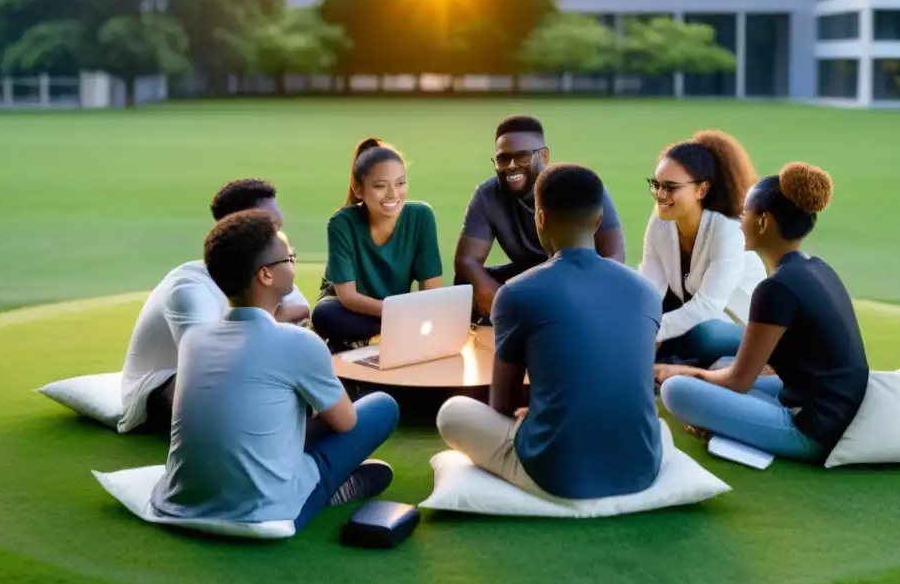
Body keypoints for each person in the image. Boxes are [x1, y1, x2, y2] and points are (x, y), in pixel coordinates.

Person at [150, 209, 400, 531]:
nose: (293, 262)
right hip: (266, 511)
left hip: (181, 502)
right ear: (266, 275)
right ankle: (329, 486)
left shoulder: (194, 339)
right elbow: (345, 422)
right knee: (382, 406)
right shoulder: (299, 342)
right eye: (289, 257)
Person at [437, 164, 664, 500]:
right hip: (643, 466)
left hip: (558, 475)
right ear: (599, 219)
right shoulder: (645, 291)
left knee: (451, 413)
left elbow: (502, 404)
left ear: (540, 219)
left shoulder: (516, 292)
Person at [655, 162, 870, 463]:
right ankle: (721, 409)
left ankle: (723, 419)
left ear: (763, 221)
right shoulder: (816, 267)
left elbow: (737, 382)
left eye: (744, 215)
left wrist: (679, 372)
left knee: (676, 389)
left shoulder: (776, 288)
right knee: (721, 363)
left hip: (809, 429)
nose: (739, 222)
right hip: (824, 402)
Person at [117, 178, 310, 434]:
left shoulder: (268, 269)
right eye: (269, 228)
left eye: (278, 227)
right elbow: (209, 360)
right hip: (166, 386)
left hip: (226, 375)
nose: (279, 238)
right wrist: (271, 320)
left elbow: (301, 310)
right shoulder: (189, 287)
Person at [454, 115, 626, 323]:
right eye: (503, 158)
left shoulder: (579, 185)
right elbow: (467, 259)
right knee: (466, 284)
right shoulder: (487, 194)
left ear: (544, 157)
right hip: (531, 275)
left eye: (522, 156)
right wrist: (493, 295)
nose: (511, 165)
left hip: (578, 274)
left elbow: (614, 256)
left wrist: (579, 296)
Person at [638, 130, 767, 369]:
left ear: (701, 190)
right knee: (639, 309)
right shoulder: (660, 220)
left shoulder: (728, 231)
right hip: (695, 318)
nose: (660, 195)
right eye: (656, 185)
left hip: (738, 325)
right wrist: (639, 324)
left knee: (702, 335)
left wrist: (651, 332)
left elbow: (708, 306)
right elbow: (650, 285)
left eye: (671, 187)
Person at [310, 138, 443, 352]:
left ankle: (368, 338)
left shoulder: (421, 216)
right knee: (324, 313)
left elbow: (432, 290)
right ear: (359, 189)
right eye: (381, 186)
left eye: (400, 183)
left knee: (446, 309)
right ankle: (390, 333)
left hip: (390, 312)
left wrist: (425, 314)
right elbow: (348, 297)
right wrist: (403, 315)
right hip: (350, 310)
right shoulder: (341, 223)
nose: (393, 194)